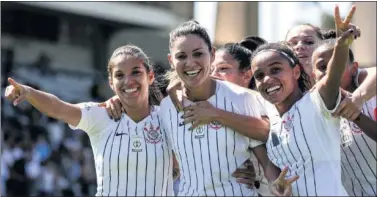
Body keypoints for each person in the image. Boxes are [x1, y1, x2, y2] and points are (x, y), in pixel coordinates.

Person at [4, 44, 175, 196]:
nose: (128, 81)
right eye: (119, 75)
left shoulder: (170, 119)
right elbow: (59, 108)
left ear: (150, 76)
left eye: (136, 72)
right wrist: (29, 92)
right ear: (111, 82)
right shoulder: (100, 114)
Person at [159, 20, 297, 196]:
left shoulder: (241, 98)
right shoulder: (166, 106)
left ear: (212, 54)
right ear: (171, 60)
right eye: (181, 56)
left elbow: (264, 156)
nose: (190, 63)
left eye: (198, 54)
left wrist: (273, 183)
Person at [250, 5, 360, 195]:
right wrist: (276, 184)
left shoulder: (317, 101)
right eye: (259, 75)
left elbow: (332, 75)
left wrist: (341, 44)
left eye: (276, 69)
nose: (267, 79)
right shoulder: (270, 117)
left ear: (296, 72)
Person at [311, 39, 376, 196]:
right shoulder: (310, 106)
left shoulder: (370, 94)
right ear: (313, 75)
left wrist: (354, 113)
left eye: (338, 66)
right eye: (322, 67)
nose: (331, 72)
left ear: (354, 68)